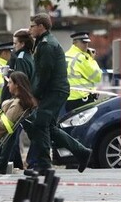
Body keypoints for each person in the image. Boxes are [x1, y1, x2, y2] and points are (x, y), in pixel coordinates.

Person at [27, 13, 93, 174]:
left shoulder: (47, 45)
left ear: (41, 26)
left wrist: (35, 94)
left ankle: (44, 166)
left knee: (40, 124)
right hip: (55, 91)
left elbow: (44, 74)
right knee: (49, 127)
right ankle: (82, 152)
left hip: (54, 91)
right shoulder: (43, 42)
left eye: (32, 26)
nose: (30, 29)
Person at [0, 30, 36, 174]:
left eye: (15, 43)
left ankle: (5, 161)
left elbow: (20, 81)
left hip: (20, 101)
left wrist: (13, 100)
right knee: (12, 132)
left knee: (13, 131)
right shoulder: (27, 56)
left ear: (22, 43)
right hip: (24, 100)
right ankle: (4, 161)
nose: (13, 47)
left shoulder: (21, 58)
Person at [65, 31, 103, 112]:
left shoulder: (66, 55)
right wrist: (91, 59)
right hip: (82, 99)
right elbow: (97, 77)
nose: (86, 45)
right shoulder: (81, 58)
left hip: (68, 99)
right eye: (83, 42)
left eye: (87, 42)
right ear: (74, 43)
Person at [0, 71, 37, 141]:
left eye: (10, 82)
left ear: (17, 84)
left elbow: (5, 124)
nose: (8, 85)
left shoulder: (18, 104)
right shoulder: (21, 100)